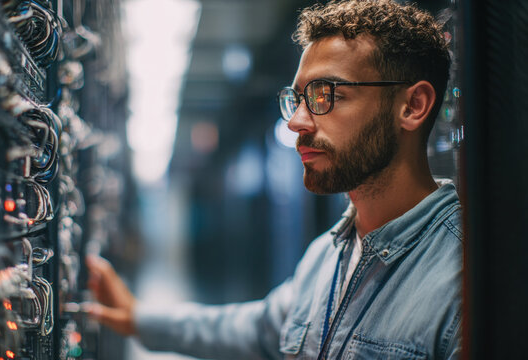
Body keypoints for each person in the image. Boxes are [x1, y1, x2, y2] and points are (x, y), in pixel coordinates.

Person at [83, 0, 462, 358]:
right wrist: (138, 319)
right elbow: (255, 330)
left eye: (325, 94)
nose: (296, 121)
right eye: (296, 98)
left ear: (412, 106)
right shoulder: (326, 256)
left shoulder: (468, 281)